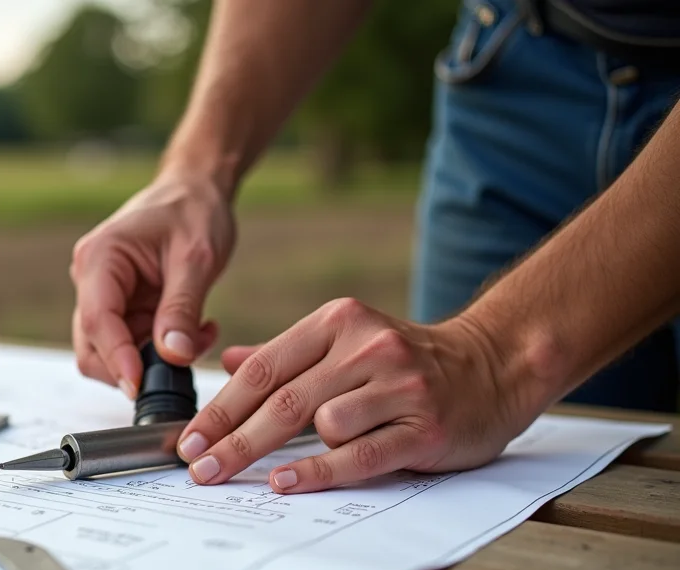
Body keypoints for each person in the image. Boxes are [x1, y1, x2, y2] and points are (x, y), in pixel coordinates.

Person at [69, 0, 680, 492]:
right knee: (453, 489)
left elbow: (490, 363)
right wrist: (196, 170)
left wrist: (494, 356)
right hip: (510, 63)